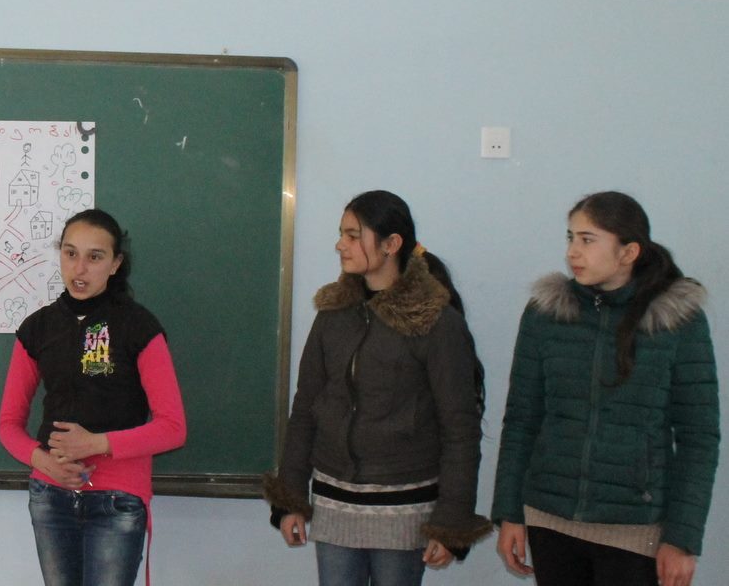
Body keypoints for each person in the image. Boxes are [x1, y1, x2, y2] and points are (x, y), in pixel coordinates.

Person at [263, 190, 490, 586]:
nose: (340, 245)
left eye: (353, 235)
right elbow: (305, 409)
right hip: (335, 502)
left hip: (404, 508)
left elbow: (460, 429)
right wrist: (291, 498)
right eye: (341, 234)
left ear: (391, 244)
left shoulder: (436, 322)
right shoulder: (333, 314)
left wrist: (451, 522)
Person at [492, 191, 719, 586]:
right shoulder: (546, 313)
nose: (572, 252)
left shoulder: (677, 321)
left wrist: (682, 538)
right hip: (550, 520)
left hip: (634, 529)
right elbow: (522, 420)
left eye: (587, 239)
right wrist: (510, 512)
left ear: (628, 252)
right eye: (570, 238)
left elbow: (699, 438)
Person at [0, 208, 187, 586]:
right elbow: (7, 425)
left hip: (117, 500)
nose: (79, 268)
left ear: (115, 264)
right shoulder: (37, 328)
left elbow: (173, 428)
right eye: (70, 253)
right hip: (50, 497)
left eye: (94, 257)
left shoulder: (139, 327)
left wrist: (96, 443)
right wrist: (43, 462)